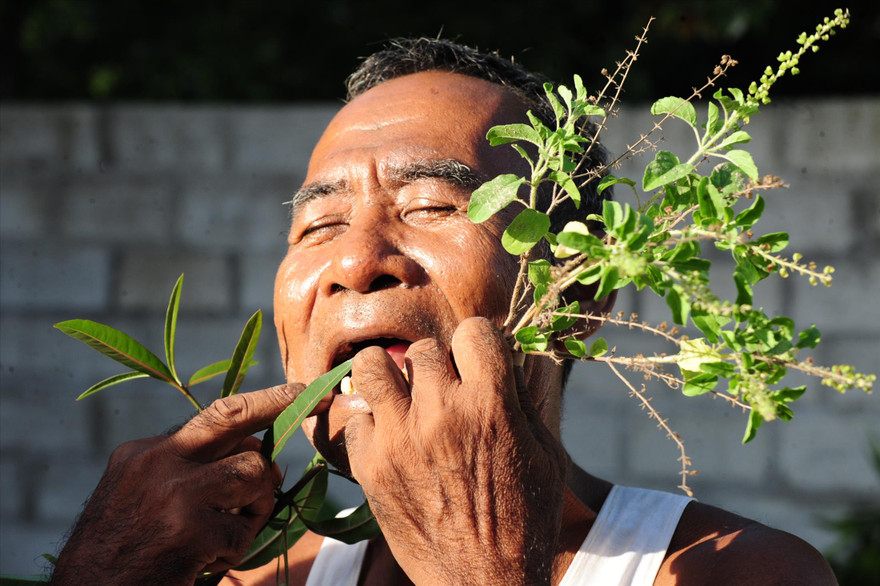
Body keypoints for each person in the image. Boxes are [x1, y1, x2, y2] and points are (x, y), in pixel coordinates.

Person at [49, 39, 835, 585]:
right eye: (319, 225)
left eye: (432, 205)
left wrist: (480, 567)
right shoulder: (250, 577)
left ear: (579, 297)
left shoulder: (730, 574)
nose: (355, 264)